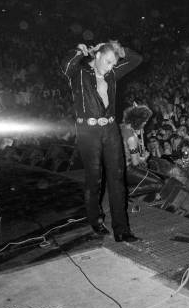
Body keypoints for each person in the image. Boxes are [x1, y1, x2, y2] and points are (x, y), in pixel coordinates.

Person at [61, 41, 142, 242]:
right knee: (94, 179)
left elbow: (136, 59)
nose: (110, 67)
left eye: (113, 64)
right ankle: (96, 221)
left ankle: (122, 230)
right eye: (107, 62)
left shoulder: (112, 74)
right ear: (96, 56)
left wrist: (118, 49)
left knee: (117, 179)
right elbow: (66, 65)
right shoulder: (79, 74)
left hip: (110, 129)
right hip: (88, 131)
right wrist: (79, 50)